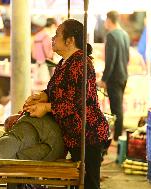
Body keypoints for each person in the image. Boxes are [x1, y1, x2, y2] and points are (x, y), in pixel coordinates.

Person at [23, 19, 109, 189]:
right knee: (79, 182)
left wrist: (46, 107)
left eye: (57, 35)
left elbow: (76, 103)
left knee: (89, 183)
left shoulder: (82, 63)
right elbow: (54, 91)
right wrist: (42, 96)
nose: (53, 39)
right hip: (73, 135)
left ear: (70, 40)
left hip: (88, 133)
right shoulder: (65, 63)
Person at [97, 11, 130, 142]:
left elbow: (110, 60)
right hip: (123, 76)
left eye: (106, 19)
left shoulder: (111, 35)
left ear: (109, 20)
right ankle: (118, 137)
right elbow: (127, 58)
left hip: (114, 78)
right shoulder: (124, 34)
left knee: (116, 110)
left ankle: (117, 138)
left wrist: (104, 79)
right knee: (118, 107)